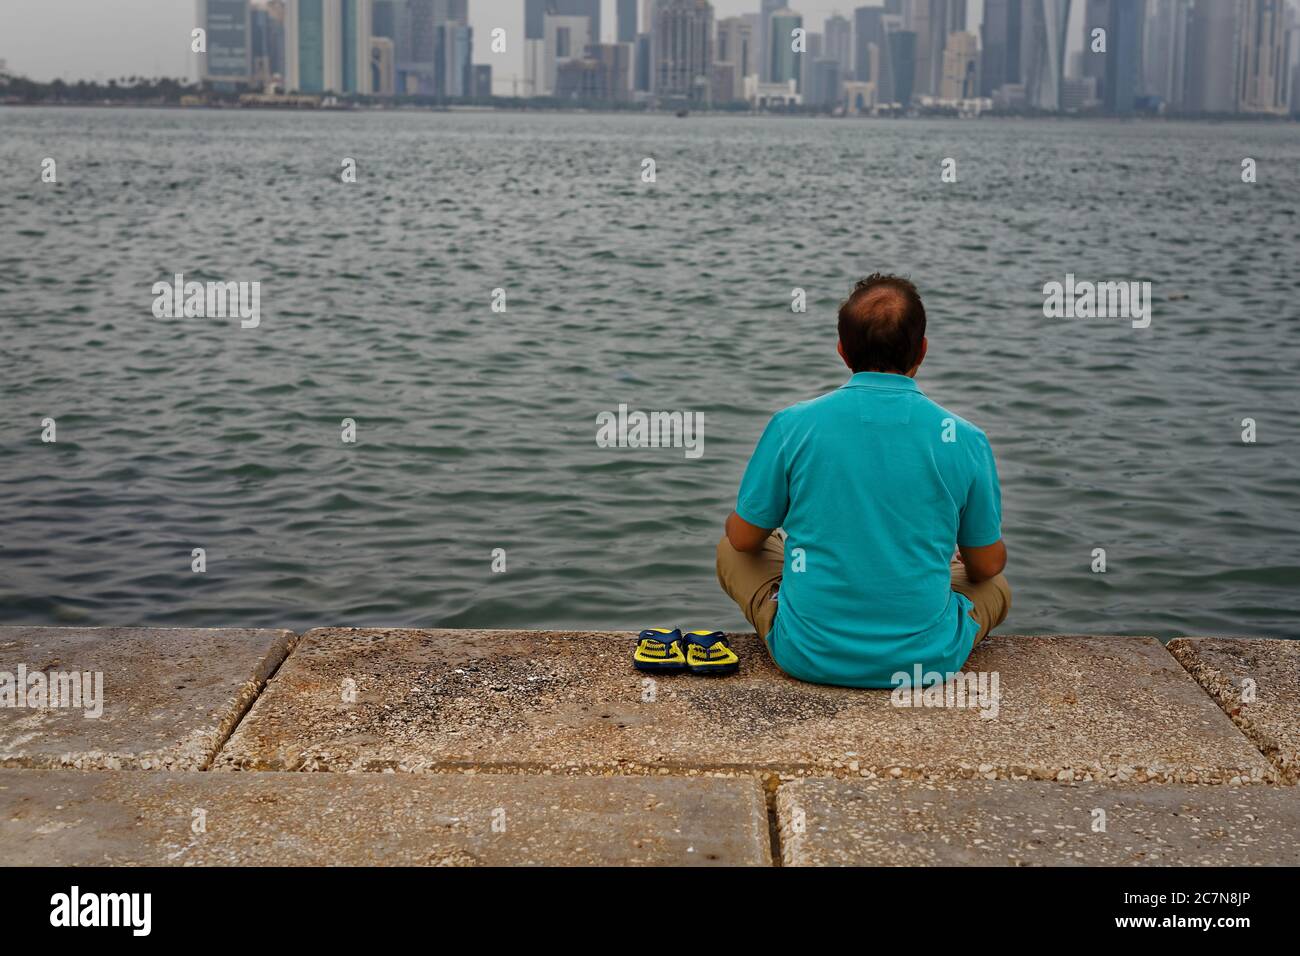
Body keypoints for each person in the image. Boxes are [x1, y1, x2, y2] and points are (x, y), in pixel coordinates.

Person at [716, 274, 1011, 688]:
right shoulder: (965, 438)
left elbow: (744, 540)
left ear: (842, 350)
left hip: (807, 654)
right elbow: (985, 566)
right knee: (995, 584)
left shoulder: (794, 424)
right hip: (927, 660)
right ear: (923, 349)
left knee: (733, 550)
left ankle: (809, 606)